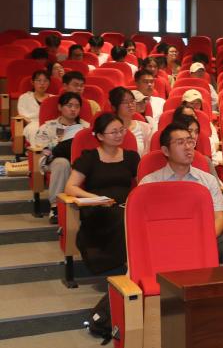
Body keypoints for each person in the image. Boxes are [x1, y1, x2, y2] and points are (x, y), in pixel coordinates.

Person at [139, 122, 223, 263]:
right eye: (180, 143)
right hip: (166, 243)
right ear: (166, 151)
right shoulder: (149, 184)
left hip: (203, 240)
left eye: (190, 142)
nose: (188, 147)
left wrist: (203, 240)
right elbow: (142, 225)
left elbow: (219, 218)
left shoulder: (208, 180)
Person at [63, 113, 141, 273]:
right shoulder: (90, 158)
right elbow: (70, 187)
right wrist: (96, 198)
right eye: (114, 132)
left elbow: (142, 184)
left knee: (131, 215)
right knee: (123, 218)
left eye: (122, 130)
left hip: (125, 206)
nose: (119, 135)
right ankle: (129, 266)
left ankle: (133, 265)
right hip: (98, 208)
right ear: (100, 136)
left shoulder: (131, 157)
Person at [34, 92, 89, 222]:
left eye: (77, 106)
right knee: (62, 163)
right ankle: (55, 207)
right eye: (69, 105)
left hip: (79, 161)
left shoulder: (86, 127)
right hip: (53, 161)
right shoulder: (48, 127)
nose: (73, 109)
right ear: (60, 107)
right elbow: (42, 149)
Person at [109, 86, 152, 155]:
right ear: (114, 107)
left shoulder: (145, 127)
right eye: (125, 102)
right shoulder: (108, 130)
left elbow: (147, 155)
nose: (130, 105)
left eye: (132, 101)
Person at [17, 69, 50, 144]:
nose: (42, 83)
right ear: (32, 82)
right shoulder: (24, 97)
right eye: (39, 80)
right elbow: (22, 115)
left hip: (50, 124)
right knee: (35, 130)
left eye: (45, 81)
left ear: (49, 83)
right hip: (32, 124)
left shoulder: (53, 98)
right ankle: (37, 150)